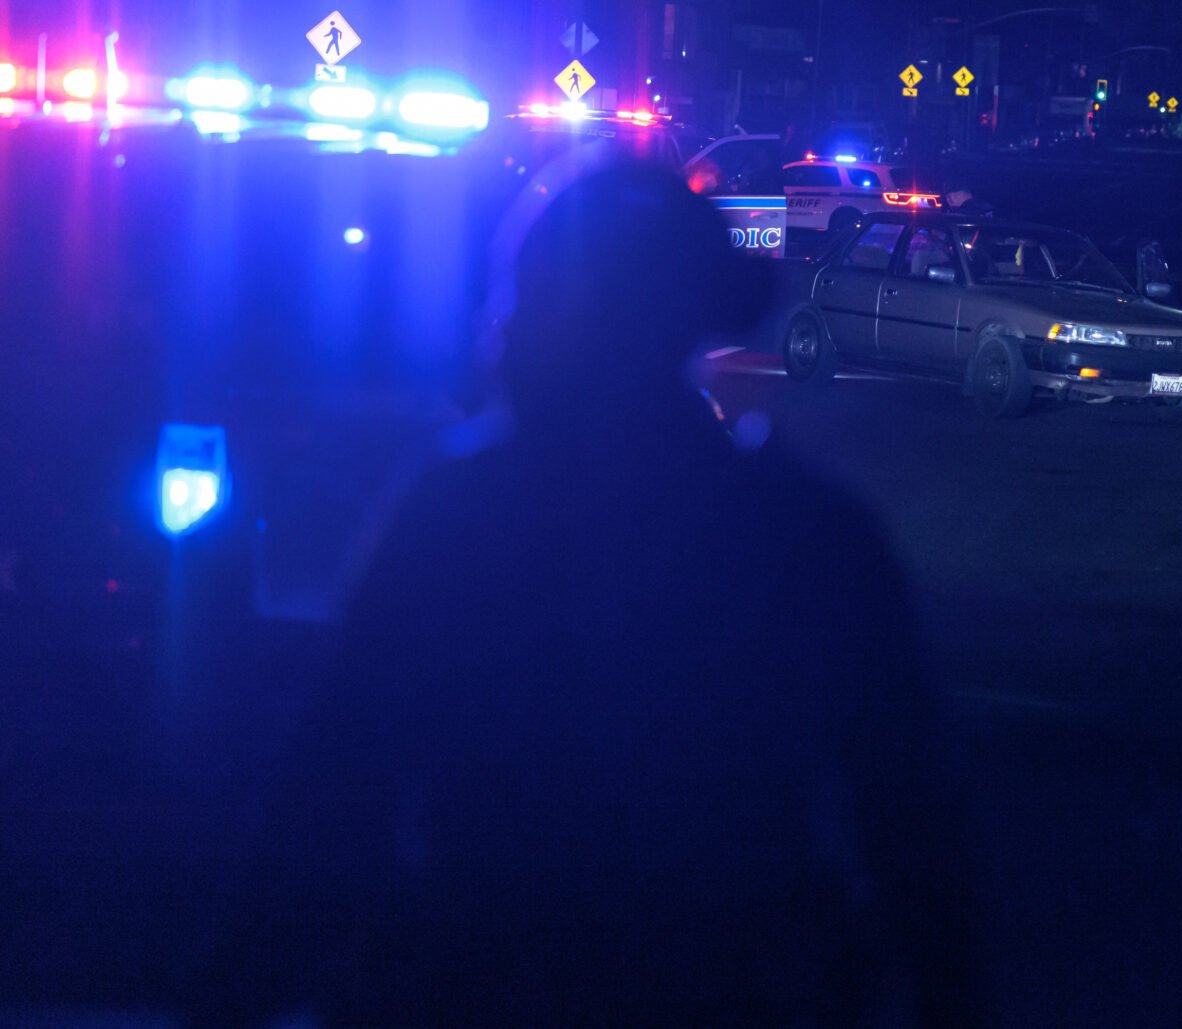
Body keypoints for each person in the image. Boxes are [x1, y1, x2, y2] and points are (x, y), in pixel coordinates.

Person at [201, 155, 982, 1027]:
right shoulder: (813, 535)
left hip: (482, 983)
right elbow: (918, 833)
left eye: (520, 297)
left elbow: (330, 792)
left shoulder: (461, 517)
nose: (495, 328)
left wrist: (241, 994)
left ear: (573, 314)